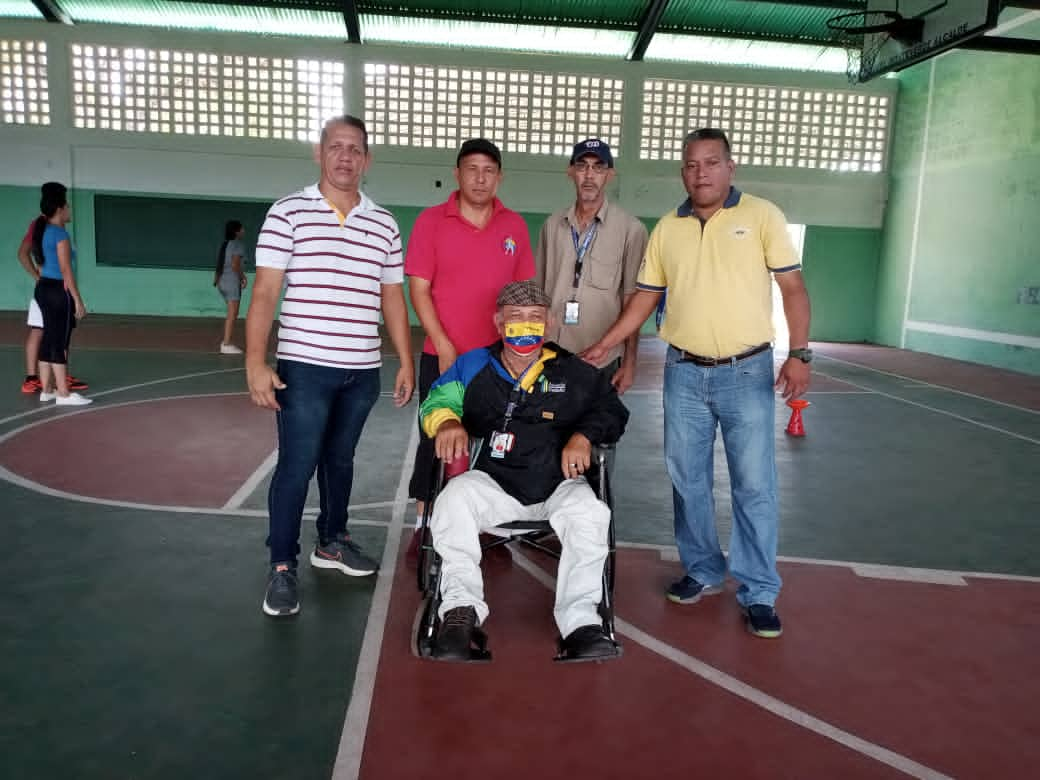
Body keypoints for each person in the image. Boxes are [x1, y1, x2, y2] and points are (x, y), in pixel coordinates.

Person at [584, 128, 812, 639]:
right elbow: (644, 297)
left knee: (754, 486)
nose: (700, 172)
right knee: (687, 480)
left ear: (731, 167)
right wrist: (608, 342)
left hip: (747, 371)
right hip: (683, 372)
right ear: (682, 171)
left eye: (711, 162)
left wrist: (798, 354)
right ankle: (704, 569)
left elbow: (793, 289)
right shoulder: (669, 228)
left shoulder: (761, 217)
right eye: (691, 164)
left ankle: (758, 589)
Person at [246, 115, 415, 618]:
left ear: (368, 159)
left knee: (341, 462)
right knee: (297, 466)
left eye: (356, 149)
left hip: (361, 372)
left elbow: (392, 299)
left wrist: (405, 360)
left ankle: (332, 541)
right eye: (336, 147)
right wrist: (255, 362)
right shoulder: (287, 214)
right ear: (319, 154)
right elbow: (266, 293)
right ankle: (281, 566)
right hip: (305, 369)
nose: (346, 156)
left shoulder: (383, 222)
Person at [420, 280, 628, 662]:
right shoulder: (474, 365)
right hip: (495, 485)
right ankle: (459, 612)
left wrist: (584, 435)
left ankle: (581, 623)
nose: (525, 326)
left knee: (591, 513)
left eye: (535, 318)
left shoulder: (573, 371)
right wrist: (448, 422)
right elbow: (437, 399)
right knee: (452, 499)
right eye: (515, 318)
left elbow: (612, 410)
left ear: (547, 324)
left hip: (559, 486)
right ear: (498, 322)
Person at [405, 138, 535, 550]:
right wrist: (443, 343)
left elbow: (523, 295)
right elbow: (419, 290)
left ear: (499, 177)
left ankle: (482, 517)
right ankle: (426, 516)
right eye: (472, 169)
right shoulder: (431, 221)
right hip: (444, 357)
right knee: (439, 435)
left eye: (489, 170)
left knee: (497, 438)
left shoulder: (514, 226)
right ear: (458, 173)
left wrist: (520, 351)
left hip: (498, 362)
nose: (480, 178)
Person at [534, 139, 648, 394]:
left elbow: (633, 303)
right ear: (570, 171)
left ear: (609, 175)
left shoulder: (631, 230)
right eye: (582, 166)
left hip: (602, 357)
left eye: (598, 168)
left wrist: (629, 363)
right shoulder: (552, 225)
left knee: (595, 431)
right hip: (553, 353)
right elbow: (538, 292)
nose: (589, 175)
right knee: (549, 429)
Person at [17, 182, 88, 394]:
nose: (69, 207)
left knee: (49, 336)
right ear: (59, 206)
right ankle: (59, 389)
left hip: (46, 288)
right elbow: (64, 268)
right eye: (66, 203)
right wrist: (77, 298)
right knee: (51, 336)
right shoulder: (50, 230)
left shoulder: (48, 228)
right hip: (54, 289)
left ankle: (50, 386)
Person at [214, 219, 248, 354]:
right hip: (231, 282)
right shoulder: (238, 245)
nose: (243, 231)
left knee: (232, 312)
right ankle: (226, 344)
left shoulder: (225, 244)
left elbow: (221, 262)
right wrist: (243, 277)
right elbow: (235, 265)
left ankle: (226, 342)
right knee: (232, 313)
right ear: (236, 231)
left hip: (222, 282)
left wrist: (216, 279)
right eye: (241, 229)